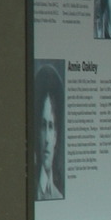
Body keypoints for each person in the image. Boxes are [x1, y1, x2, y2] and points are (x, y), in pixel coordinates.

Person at [33, 63, 65, 201]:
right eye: (42, 125)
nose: (46, 138)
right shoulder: (32, 191)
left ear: (56, 135)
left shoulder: (59, 195)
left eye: (51, 126)